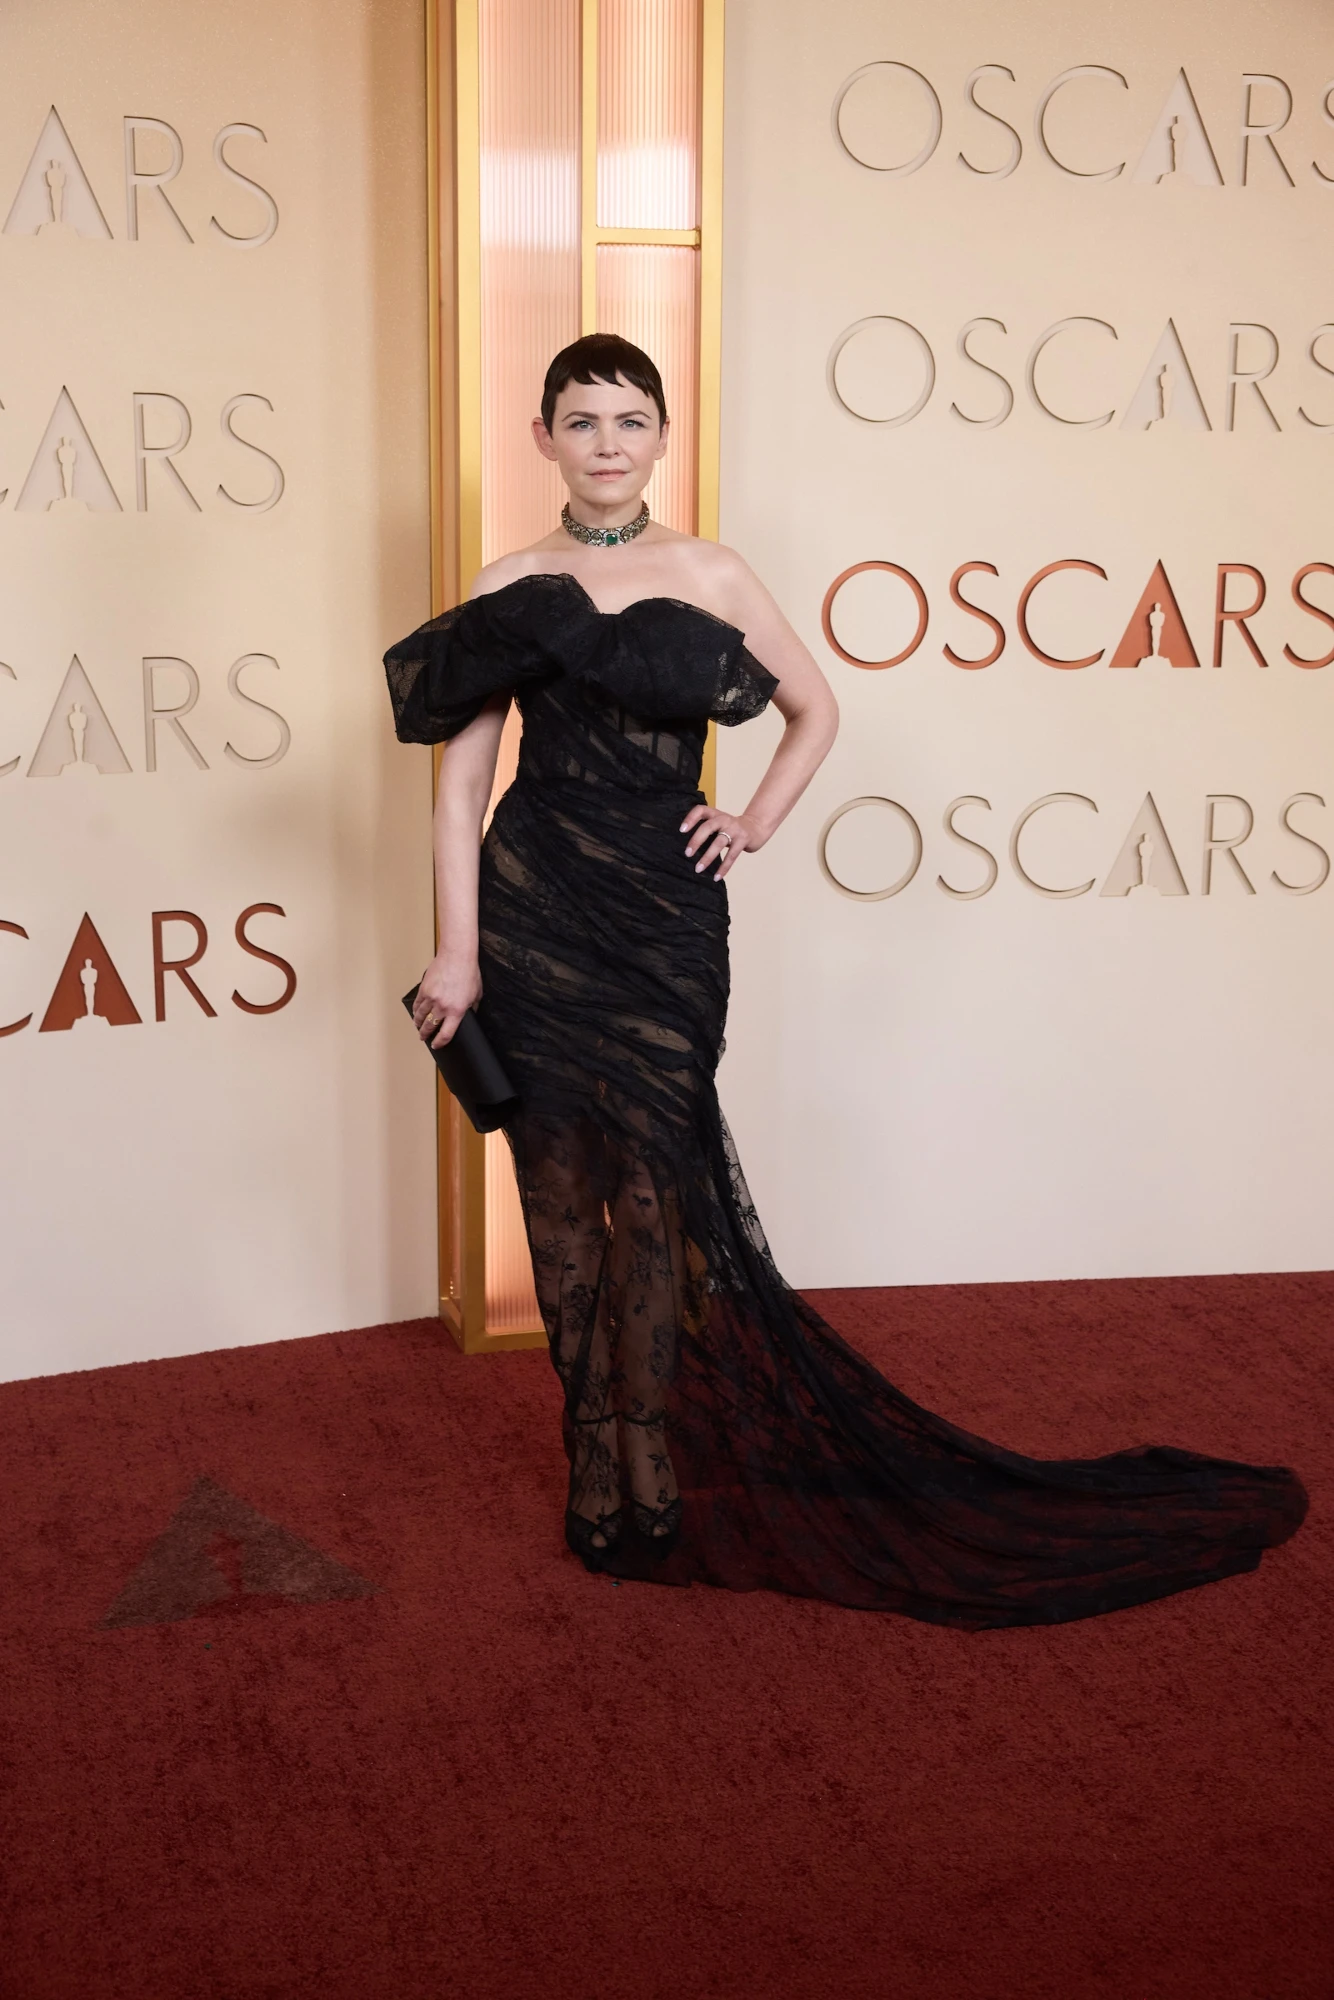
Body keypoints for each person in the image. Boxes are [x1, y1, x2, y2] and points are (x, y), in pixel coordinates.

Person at [385, 333, 1305, 1628]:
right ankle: (593, 1459)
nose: (606, 443)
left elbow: (815, 708)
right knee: (558, 1203)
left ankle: (649, 1451)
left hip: (664, 927)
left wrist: (751, 821)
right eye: (581, 420)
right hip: (535, 913)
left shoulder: (711, 570)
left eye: (629, 420)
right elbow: (463, 785)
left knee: (651, 1193)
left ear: (660, 435)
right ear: (542, 438)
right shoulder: (508, 584)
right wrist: (459, 949)